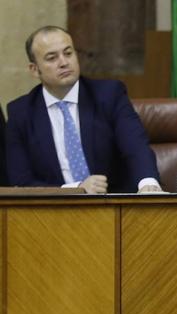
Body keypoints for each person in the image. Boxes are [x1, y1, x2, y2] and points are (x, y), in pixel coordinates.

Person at [6, 26, 161, 193]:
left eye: (68, 53)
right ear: (35, 70)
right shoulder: (20, 113)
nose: (64, 62)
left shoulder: (109, 95)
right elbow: (21, 181)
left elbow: (135, 146)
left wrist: (148, 184)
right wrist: (75, 189)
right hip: (53, 211)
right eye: (52, 58)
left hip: (113, 206)